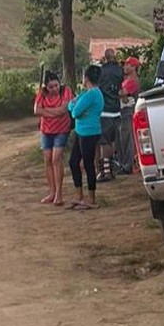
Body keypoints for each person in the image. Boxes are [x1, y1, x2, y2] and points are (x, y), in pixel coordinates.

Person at [67, 65, 104, 210]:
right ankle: (79, 194)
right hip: (81, 131)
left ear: (86, 78)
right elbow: (72, 106)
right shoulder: (88, 93)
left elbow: (74, 112)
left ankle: (91, 197)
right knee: (73, 161)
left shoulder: (90, 94)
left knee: (88, 164)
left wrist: (76, 109)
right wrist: (77, 108)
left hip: (88, 132)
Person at [34, 70, 73, 205]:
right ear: (46, 87)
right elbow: (36, 110)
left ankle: (59, 193)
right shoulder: (41, 93)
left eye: (56, 85)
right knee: (47, 160)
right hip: (46, 130)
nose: (55, 89)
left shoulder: (66, 90)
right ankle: (51, 192)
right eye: (51, 87)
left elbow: (65, 109)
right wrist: (56, 112)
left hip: (62, 129)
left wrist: (46, 112)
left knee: (56, 159)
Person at [97, 49, 123, 182]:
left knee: (104, 141)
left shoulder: (102, 71)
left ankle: (105, 171)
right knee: (112, 140)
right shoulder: (120, 70)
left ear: (105, 58)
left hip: (105, 109)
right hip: (116, 109)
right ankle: (112, 169)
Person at [118, 56, 142, 175]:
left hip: (129, 112)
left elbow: (122, 93)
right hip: (125, 111)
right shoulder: (127, 79)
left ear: (133, 67)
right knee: (125, 138)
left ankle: (128, 165)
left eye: (127, 64)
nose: (124, 67)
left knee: (128, 139)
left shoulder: (132, 81)